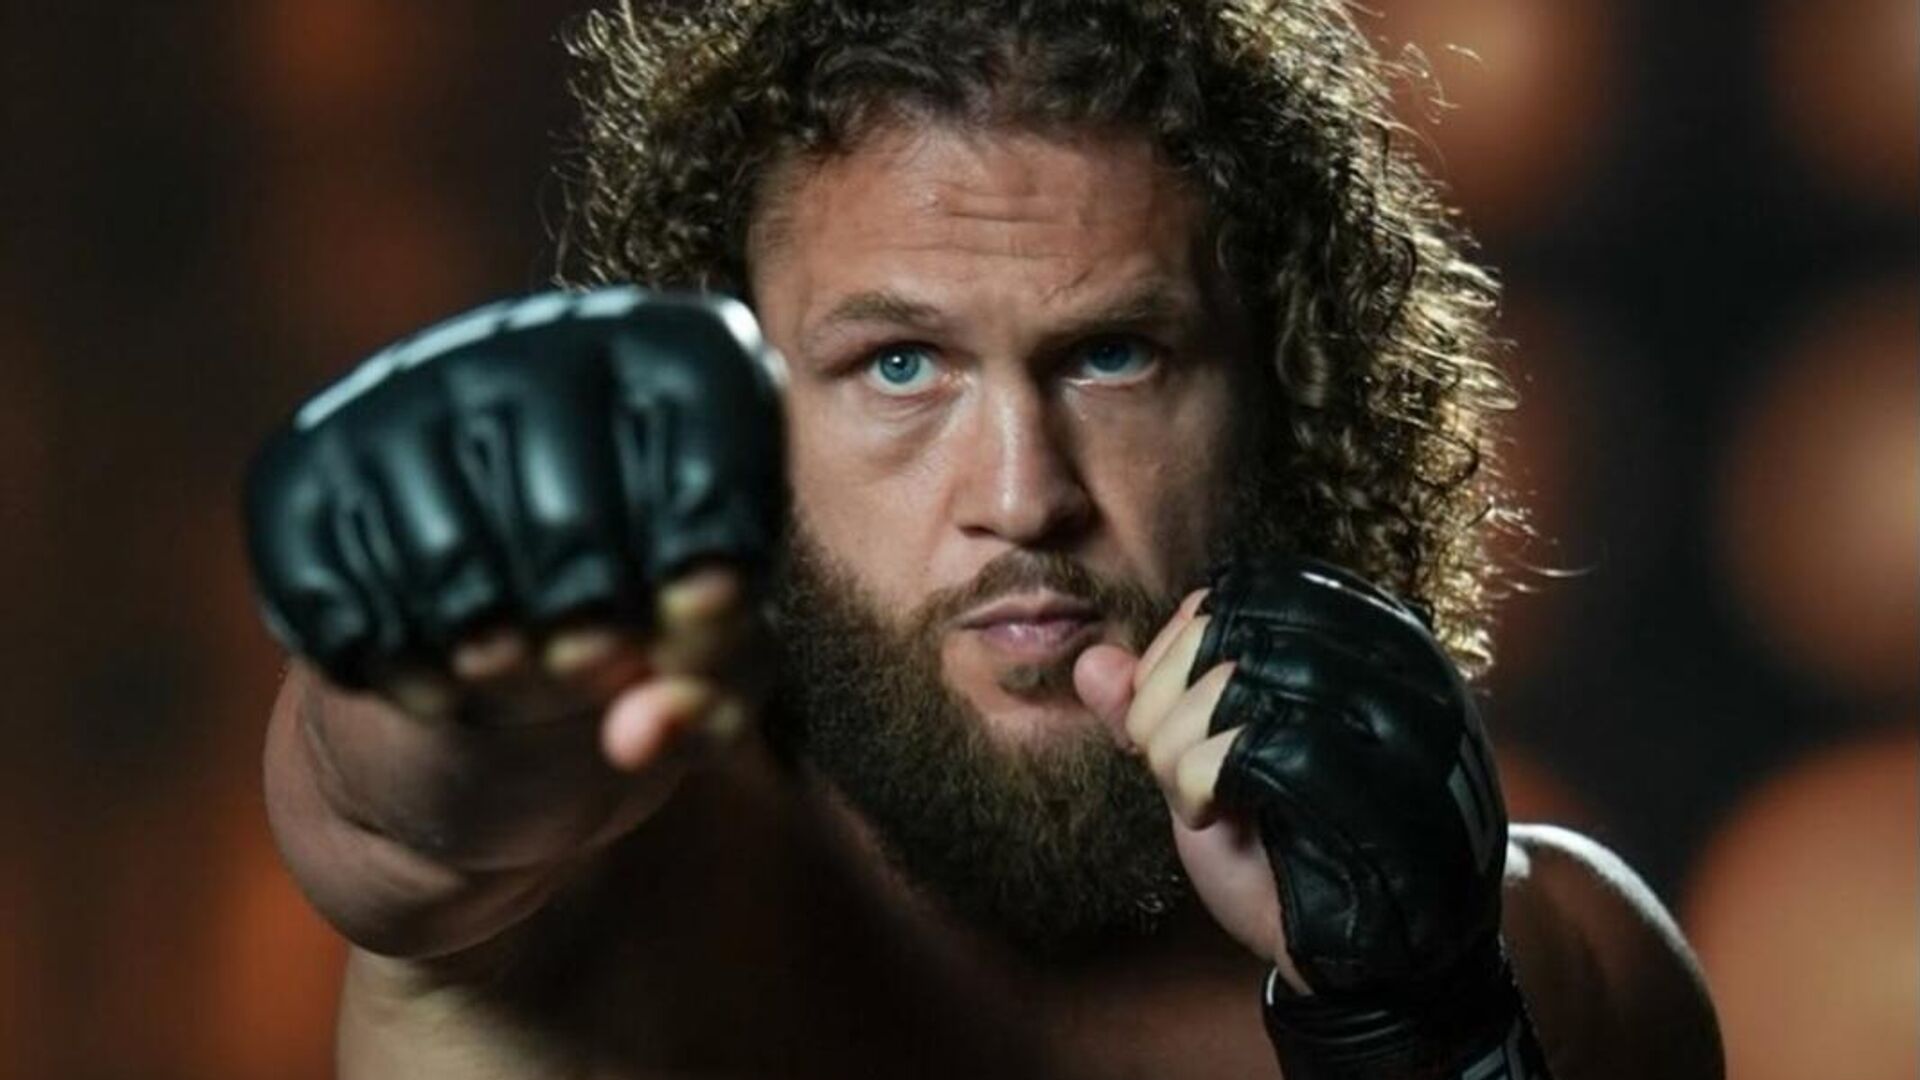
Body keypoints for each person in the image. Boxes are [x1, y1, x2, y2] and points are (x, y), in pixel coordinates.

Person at [245, 1, 1723, 1076]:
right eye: (899, 364)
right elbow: (389, 823)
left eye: (1112, 355)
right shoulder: (584, 911)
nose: (1022, 495)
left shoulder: (1564, 971)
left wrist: (1422, 1033)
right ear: (746, 424)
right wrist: (436, 655)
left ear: (1280, 386)